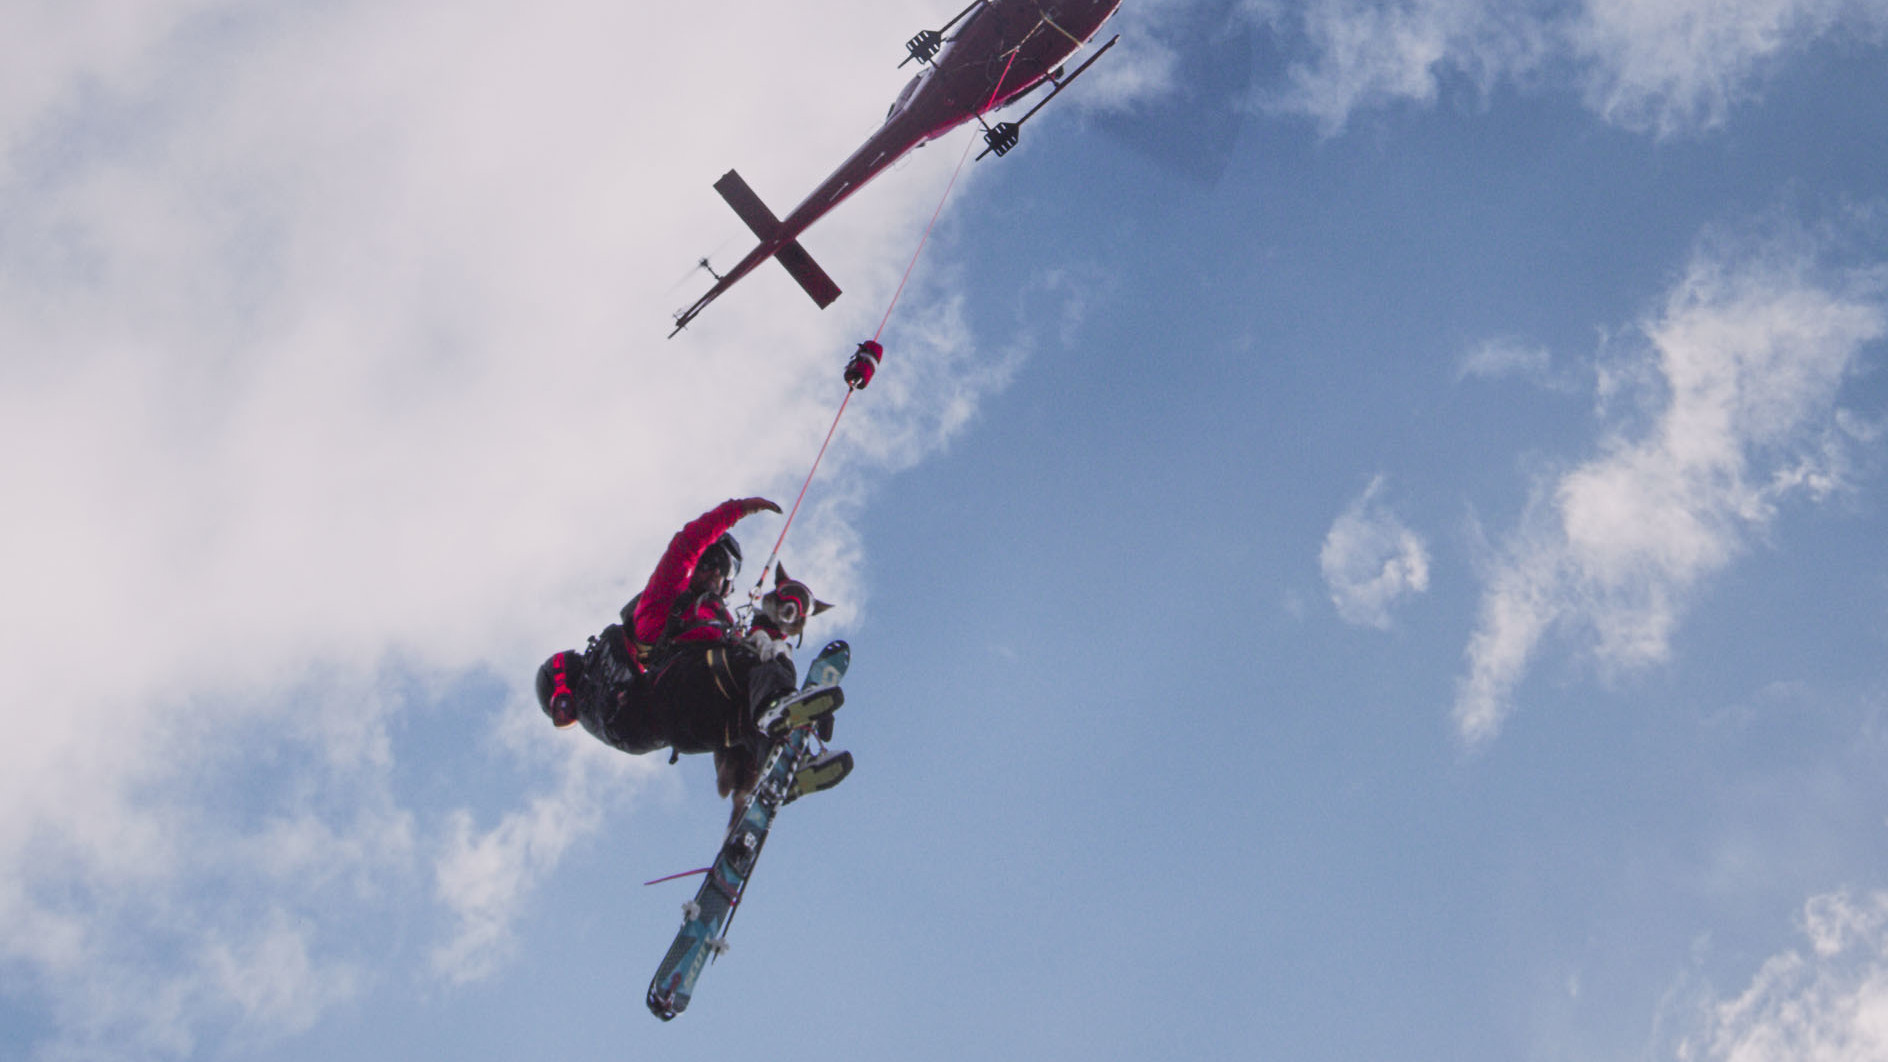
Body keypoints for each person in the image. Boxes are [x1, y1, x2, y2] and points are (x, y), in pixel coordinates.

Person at [535, 497, 850, 813]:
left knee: (752, 706)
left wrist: (783, 618)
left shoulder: (722, 625)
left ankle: (782, 767)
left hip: (689, 729)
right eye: (717, 565)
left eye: (729, 574)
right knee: (764, 662)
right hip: (678, 686)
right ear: (702, 563)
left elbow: (760, 655)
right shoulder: (661, 607)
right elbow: (685, 545)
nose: (721, 579)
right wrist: (738, 509)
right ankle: (777, 712)